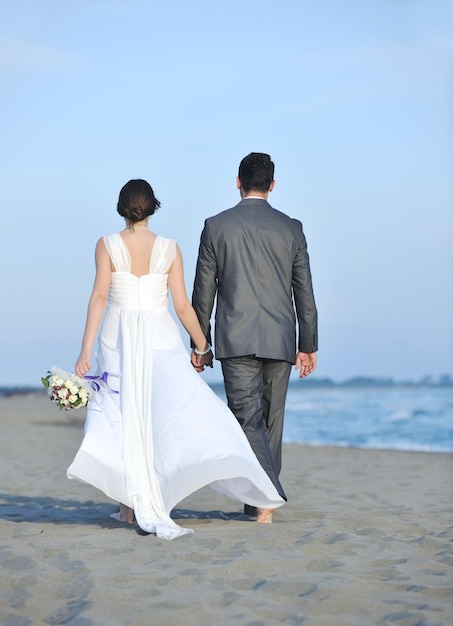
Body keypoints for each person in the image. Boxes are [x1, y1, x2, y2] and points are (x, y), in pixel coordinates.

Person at [67, 179, 284, 540]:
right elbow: (182, 305)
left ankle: (127, 506)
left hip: (117, 336)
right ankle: (256, 495)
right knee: (167, 411)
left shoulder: (106, 244)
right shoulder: (169, 248)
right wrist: (201, 345)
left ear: (122, 207)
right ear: (153, 207)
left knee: (124, 415)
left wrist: (85, 350)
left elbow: (99, 297)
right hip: (158, 336)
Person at [191, 153, 318, 519]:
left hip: (235, 336)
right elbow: (304, 291)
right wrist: (307, 344)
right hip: (280, 338)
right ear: (272, 185)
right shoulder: (291, 228)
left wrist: (201, 344)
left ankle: (263, 499)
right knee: (268, 422)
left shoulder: (216, 226)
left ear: (237, 182)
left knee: (248, 420)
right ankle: (263, 501)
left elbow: (204, 292)